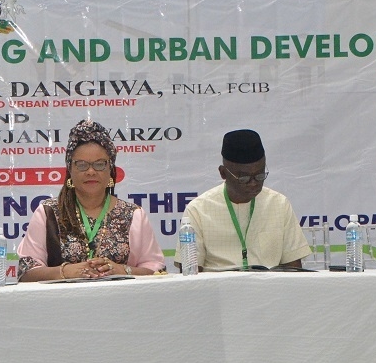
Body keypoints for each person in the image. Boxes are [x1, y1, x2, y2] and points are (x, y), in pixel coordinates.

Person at [16, 119, 165, 281]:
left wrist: (122, 270)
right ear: (70, 170)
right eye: (81, 165)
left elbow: (158, 272)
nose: (91, 172)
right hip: (62, 303)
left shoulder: (134, 214)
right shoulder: (48, 213)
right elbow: (26, 272)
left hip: (121, 303)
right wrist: (66, 272)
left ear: (110, 169)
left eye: (100, 164)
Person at [174, 129, 310, 272]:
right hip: (219, 291)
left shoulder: (279, 204)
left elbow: (294, 267)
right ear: (223, 173)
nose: (253, 183)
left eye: (260, 176)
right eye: (243, 178)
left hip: (268, 290)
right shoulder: (198, 210)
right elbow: (189, 272)